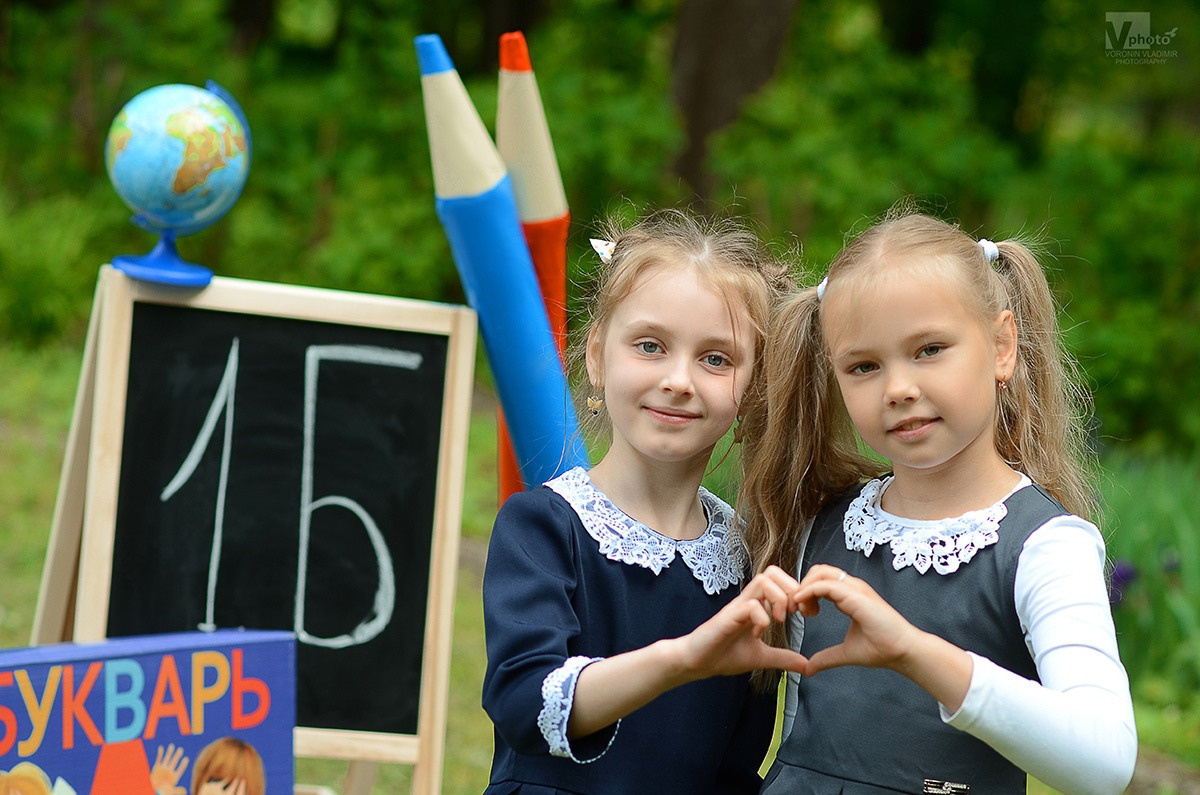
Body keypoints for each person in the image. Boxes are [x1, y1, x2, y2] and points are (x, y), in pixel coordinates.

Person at [736, 211, 1138, 793]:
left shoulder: (1044, 546)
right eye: (864, 366)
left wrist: (914, 652)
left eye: (928, 349)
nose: (898, 388)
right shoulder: (816, 527)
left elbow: (1104, 762)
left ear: (1002, 346)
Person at [481, 207, 803, 794]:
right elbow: (525, 702)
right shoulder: (545, 526)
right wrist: (683, 658)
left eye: (715, 359)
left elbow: (736, 766)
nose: (679, 379)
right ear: (598, 356)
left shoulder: (750, 558)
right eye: (651, 346)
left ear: (753, 389)